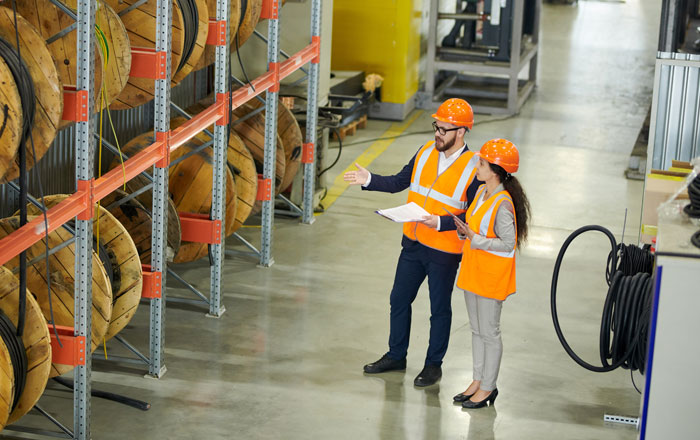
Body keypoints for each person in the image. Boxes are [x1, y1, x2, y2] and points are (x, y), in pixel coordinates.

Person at [343, 98, 482, 387]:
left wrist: (441, 222)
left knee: (439, 309)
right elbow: (398, 182)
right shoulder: (424, 152)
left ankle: (433, 366)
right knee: (399, 299)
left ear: (462, 132)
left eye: (444, 129)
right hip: (414, 243)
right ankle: (396, 355)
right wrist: (369, 179)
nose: (438, 133)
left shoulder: (474, 167)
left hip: (444, 251)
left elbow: (473, 213)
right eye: (436, 126)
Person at [446, 139, 530, 408]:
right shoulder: (483, 191)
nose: (477, 166)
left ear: (495, 169)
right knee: (476, 330)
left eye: (481, 163)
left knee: (489, 333)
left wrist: (475, 238)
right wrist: (465, 231)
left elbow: (508, 244)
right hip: (474, 270)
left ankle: (489, 387)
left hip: (491, 276)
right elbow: (477, 227)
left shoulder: (504, 204)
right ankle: (478, 380)